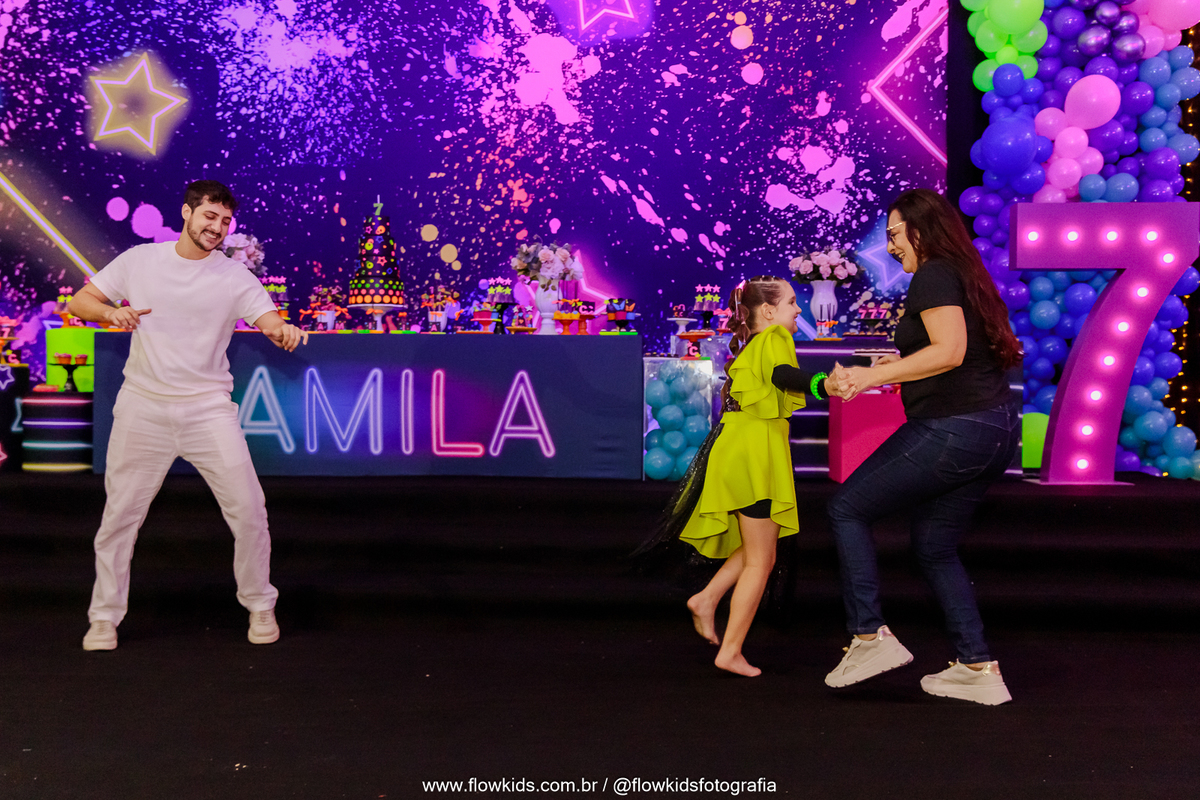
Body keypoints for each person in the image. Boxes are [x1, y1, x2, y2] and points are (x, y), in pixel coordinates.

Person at [69, 180, 309, 651]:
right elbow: (81, 302)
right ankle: (103, 619)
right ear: (186, 213)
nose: (217, 227)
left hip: (208, 410)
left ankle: (260, 605)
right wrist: (112, 314)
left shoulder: (235, 277)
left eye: (225, 221)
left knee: (249, 510)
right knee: (119, 519)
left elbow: (269, 320)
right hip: (143, 407)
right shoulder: (141, 260)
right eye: (209, 216)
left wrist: (283, 330)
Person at [822, 188, 1022, 705]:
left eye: (894, 234)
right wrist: (897, 367)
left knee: (847, 508)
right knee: (934, 545)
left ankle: (869, 638)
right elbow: (955, 352)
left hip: (956, 429)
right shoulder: (961, 273)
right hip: (994, 431)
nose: (889, 246)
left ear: (920, 229)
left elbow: (950, 351)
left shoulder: (934, 273)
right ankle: (977, 668)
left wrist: (869, 378)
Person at [644, 276, 847, 677]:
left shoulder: (754, 344)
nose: (799, 309)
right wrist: (824, 384)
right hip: (754, 453)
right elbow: (784, 375)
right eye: (792, 302)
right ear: (769, 311)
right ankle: (730, 651)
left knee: (761, 550)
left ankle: (706, 599)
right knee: (760, 562)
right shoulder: (774, 338)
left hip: (740, 449)